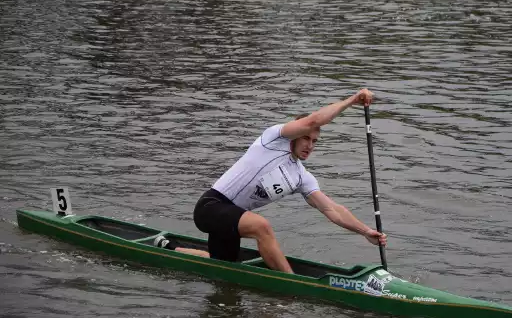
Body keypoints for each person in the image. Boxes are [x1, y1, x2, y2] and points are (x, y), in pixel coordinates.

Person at [154, 88, 387, 273]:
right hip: (210, 207)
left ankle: (168, 248)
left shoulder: (300, 176)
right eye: (306, 138)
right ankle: (291, 283)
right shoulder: (272, 139)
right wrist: (352, 100)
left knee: (223, 265)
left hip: (231, 220)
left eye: (315, 142)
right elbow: (314, 119)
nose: (309, 145)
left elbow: (332, 209)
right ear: (296, 135)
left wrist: (365, 231)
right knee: (262, 227)